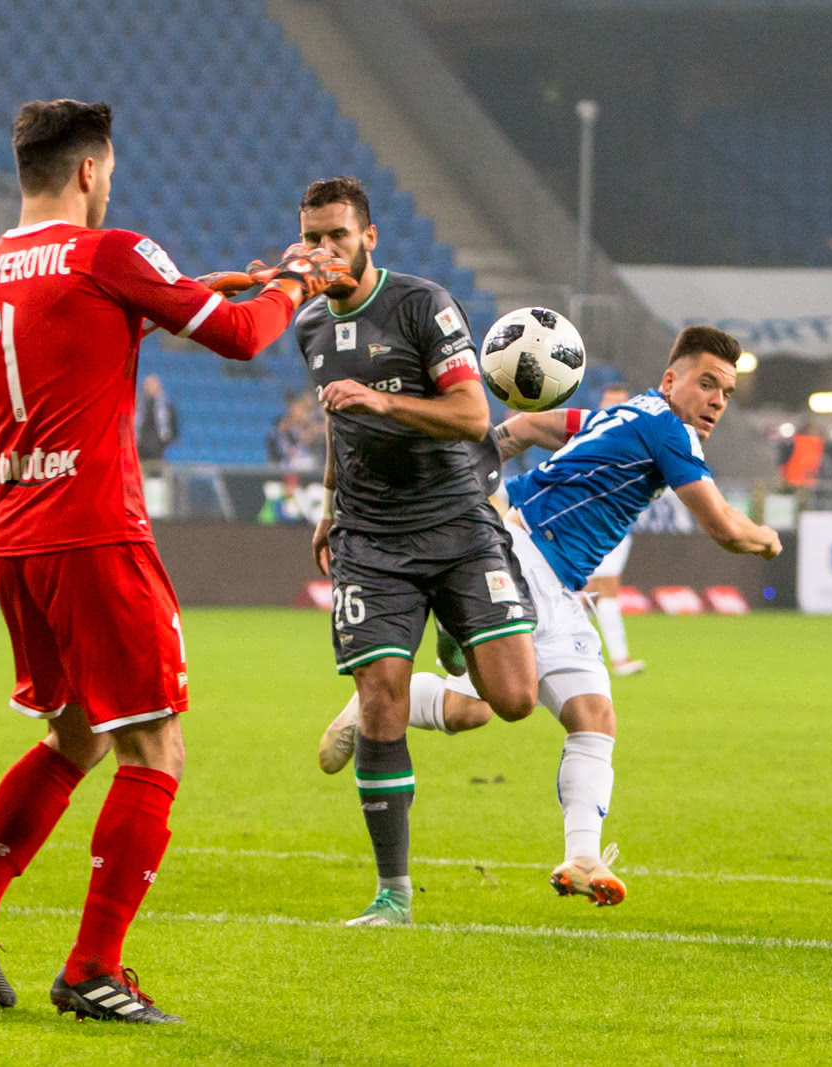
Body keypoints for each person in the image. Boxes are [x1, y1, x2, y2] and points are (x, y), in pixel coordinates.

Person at [0, 97, 351, 1023]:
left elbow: (76, 323)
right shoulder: (111, 251)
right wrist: (293, 288)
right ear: (86, 170)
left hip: (19, 533)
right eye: (107, 170)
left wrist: (199, 283)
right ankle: (92, 969)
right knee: (155, 744)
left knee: (75, 736)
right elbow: (237, 339)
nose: (111, 184)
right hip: (95, 531)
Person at [318, 326, 782, 908]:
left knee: (572, 714)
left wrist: (480, 461)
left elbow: (534, 426)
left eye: (728, 393)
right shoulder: (669, 430)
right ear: (671, 381)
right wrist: (767, 540)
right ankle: (382, 701)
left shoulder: (631, 414)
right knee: (501, 705)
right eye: (707, 384)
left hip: (553, 579)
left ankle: (582, 858)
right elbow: (725, 528)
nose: (716, 400)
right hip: (524, 557)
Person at [291, 175, 539, 928]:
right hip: (371, 536)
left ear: (370, 238)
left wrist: (382, 400)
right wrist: (330, 507)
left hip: (458, 521)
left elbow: (471, 415)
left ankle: (455, 639)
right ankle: (393, 893)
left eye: (338, 234)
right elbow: (339, 422)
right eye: (313, 235)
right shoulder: (306, 327)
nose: (324, 248)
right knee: (378, 698)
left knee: (516, 700)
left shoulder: (422, 304)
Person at [579, 383, 645, 676]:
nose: (614, 408)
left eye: (620, 402)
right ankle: (619, 659)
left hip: (618, 524)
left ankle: (560, 645)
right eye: (609, 403)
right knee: (604, 588)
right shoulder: (590, 439)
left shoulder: (635, 443)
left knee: (591, 592)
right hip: (596, 523)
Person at [135, 373, 177, 463]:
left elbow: (174, 429)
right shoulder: (137, 405)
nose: (150, 388)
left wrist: (163, 443)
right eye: (147, 385)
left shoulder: (167, 407)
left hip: (158, 451)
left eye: (153, 385)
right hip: (138, 448)